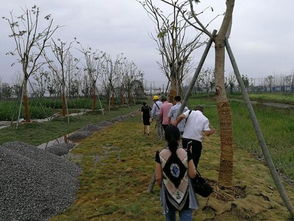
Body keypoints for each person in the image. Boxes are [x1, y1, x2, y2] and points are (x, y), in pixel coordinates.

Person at [155, 125, 198, 221]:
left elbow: (158, 178)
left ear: (166, 138)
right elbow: (192, 174)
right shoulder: (186, 153)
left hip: (168, 193)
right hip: (185, 193)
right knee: (186, 215)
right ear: (179, 137)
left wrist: (163, 186)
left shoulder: (160, 155)